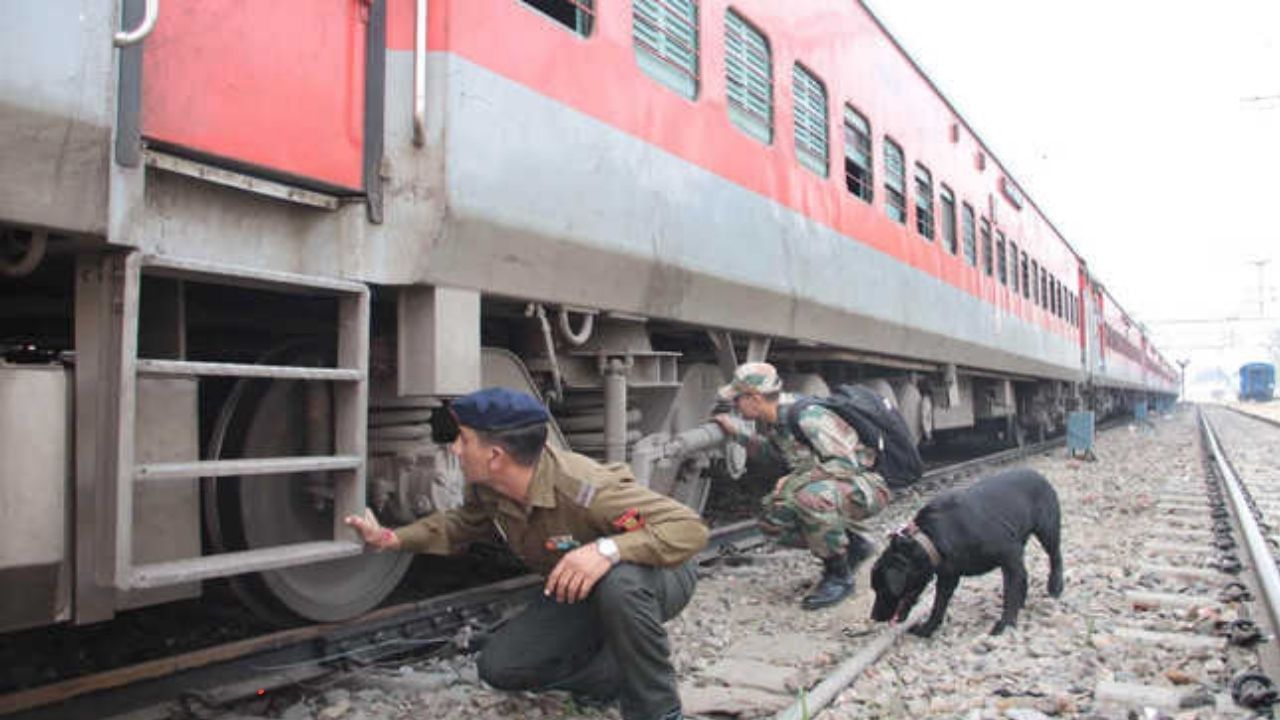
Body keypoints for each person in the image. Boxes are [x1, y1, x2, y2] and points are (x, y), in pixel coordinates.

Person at [345, 387, 708, 720]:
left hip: (659, 570)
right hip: (583, 587)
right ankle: (613, 675)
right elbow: (462, 524)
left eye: (464, 439)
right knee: (501, 667)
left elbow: (688, 528)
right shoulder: (489, 486)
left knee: (622, 584)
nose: (454, 449)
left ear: (495, 455)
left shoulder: (586, 488)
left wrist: (607, 549)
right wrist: (393, 538)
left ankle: (658, 709)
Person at [713, 362, 891, 610]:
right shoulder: (777, 419)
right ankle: (854, 545)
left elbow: (846, 464)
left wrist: (796, 480)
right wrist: (739, 434)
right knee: (773, 519)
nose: (735, 404)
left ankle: (839, 577)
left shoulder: (809, 417)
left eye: (738, 398)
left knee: (809, 498)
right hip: (836, 485)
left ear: (754, 398)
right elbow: (775, 456)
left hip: (869, 485)